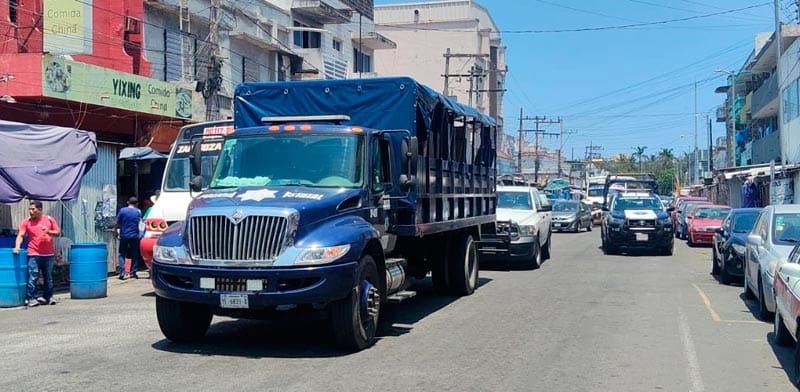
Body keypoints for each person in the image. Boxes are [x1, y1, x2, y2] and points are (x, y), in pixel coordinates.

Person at [13, 200, 60, 307]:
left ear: (40, 209)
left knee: (48, 277)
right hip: (33, 253)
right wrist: (17, 247)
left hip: (48, 254)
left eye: (33, 209)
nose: (30, 211)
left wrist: (48, 231)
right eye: (30, 209)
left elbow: (57, 233)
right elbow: (20, 235)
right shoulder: (26, 222)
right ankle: (32, 298)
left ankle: (48, 297)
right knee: (33, 276)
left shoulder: (49, 220)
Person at [115, 196, 144, 280]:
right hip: (134, 236)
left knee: (122, 254)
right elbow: (141, 224)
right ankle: (133, 273)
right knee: (134, 254)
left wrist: (115, 232)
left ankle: (122, 273)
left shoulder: (122, 210)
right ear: (137, 204)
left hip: (124, 235)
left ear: (128, 202)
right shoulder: (138, 212)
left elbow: (117, 222)